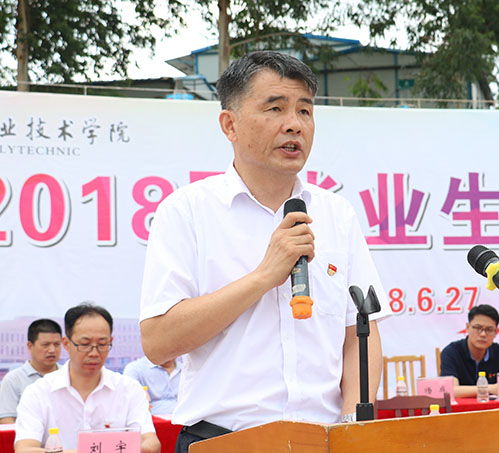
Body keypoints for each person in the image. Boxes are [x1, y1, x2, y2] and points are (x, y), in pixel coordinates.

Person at [138, 50, 388, 453]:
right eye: (275, 108)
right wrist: (263, 277)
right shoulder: (187, 211)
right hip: (222, 442)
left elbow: (361, 331)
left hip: (324, 441)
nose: (294, 124)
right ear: (230, 124)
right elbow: (158, 342)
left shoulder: (336, 214)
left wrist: (350, 426)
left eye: (305, 111)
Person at [14, 303, 161, 453]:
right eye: (85, 344)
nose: (94, 353)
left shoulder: (129, 389)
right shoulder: (37, 392)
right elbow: (24, 449)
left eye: (102, 344)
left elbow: (151, 443)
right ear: (66, 344)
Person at [0, 319, 62, 424]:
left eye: (56, 344)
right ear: (30, 346)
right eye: (45, 344)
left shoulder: (69, 375)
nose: (52, 350)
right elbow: (7, 420)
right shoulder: (13, 380)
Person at [439, 304, 499, 398]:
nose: (483, 334)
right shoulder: (451, 352)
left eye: (489, 329)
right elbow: (450, 390)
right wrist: (490, 388)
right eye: (478, 328)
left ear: (496, 332)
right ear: (467, 328)